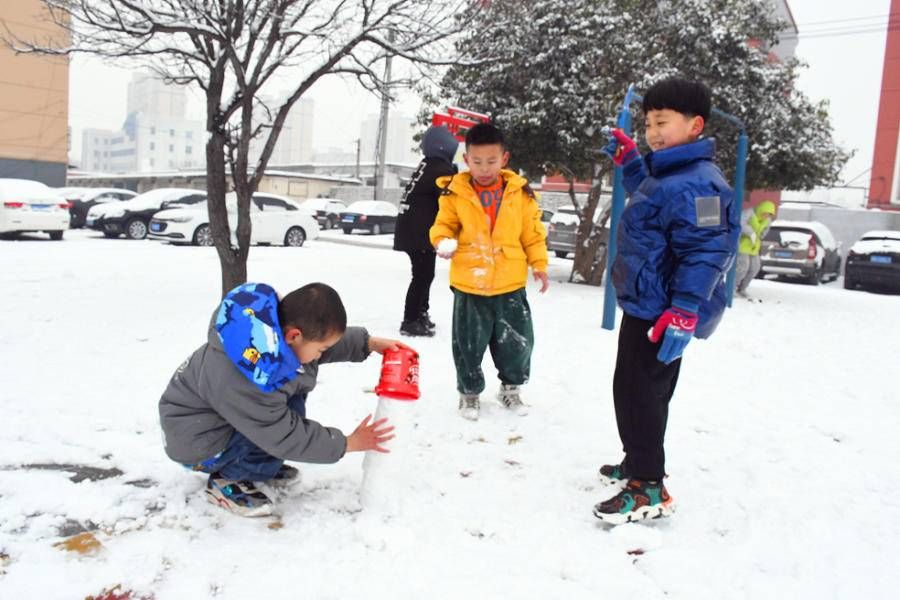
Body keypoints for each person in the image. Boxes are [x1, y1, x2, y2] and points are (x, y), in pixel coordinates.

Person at [593, 77, 740, 525]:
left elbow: (708, 250)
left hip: (664, 313)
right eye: (649, 123)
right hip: (645, 304)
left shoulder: (702, 186)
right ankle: (637, 462)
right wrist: (632, 161)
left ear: (695, 125)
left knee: (644, 396)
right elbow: (655, 200)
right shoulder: (669, 174)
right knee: (631, 390)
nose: (653, 131)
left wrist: (685, 309)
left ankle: (649, 485)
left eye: (662, 122)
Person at [158, 282, 404, 517]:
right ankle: (229, 480)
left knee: (283, 412)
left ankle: (256, 463)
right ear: (294, 335)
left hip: (213, 423)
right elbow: (284, 435)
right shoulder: (249, 378)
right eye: (320, 349)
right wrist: (347, 443)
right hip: (196, 443)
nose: (321, 354)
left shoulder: (270, 337)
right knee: (278, 429)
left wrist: (367, 344)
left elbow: (318, 344)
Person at [429, 122, 549, 421]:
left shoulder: (520, 195)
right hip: (470, 283)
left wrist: (540, 265)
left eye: (491, 161)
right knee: (468, 344)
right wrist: (442, 241)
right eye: (477, 161)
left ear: (504, 159)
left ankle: (511, 389)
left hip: (510, 283)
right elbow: (443, 226)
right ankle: (469, 395)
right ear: (466, 160)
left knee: (517, 342)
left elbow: (532, 234)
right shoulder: (453, 193)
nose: (484, 168)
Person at [393, 125, 460, 336]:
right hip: (419, 233)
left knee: (424, 275)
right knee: (422, 276)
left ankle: (421, 314)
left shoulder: (427, 165)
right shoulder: (440, 169)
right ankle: (411, 320)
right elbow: (450, 198)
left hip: (413, 231)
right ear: (444, 148)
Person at [735, 200, 777, 295]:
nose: (766, 216)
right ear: (762, 210)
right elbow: (740, 223)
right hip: (743, 245)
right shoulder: (749, 213)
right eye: (766, 213)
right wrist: (750, 232)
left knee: (755, 268)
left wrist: (760, 236)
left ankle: (742, 288)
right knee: (743, 267)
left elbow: (765, 231)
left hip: (754, 247)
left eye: (769, 214)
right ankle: (733, 288)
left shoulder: (767, 220)